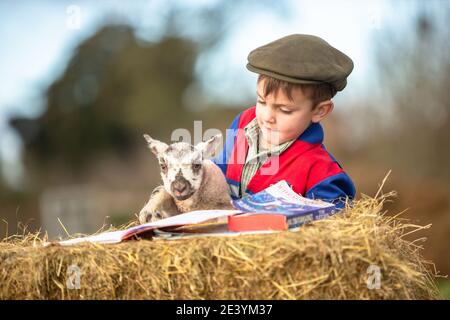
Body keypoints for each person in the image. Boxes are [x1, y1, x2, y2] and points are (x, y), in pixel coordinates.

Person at [213, 34, 355, 209]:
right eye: (262, 101)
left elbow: (333, 219)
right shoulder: (243, 124)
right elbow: (220, 169)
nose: (267, 117)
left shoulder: (321, 172)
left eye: (285, 110)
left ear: (319, 111)